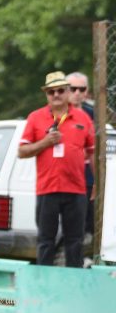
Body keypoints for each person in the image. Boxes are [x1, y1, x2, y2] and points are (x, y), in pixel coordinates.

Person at [17, 71, 95, 266]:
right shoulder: (36, 117)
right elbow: (22, 151)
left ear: (68, 92)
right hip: (47, 188)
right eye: (52, 92)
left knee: (75, 241)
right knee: (45, 240)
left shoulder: (83, 118)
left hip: (76, 188)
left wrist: (97, 182)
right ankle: (43, 287)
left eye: (61, 90)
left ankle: (73, 284)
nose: (57, 95)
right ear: (46, 94)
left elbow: (92, 152)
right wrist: (45, 142)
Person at [66, 71, 96, 236]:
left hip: (89, 179)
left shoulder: (95, 114)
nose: (77, 93)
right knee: (71, 227)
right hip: (65, 179)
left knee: (91, 224)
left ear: (87, 91)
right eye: (72, 88)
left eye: (81, 89)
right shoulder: (55, 114)